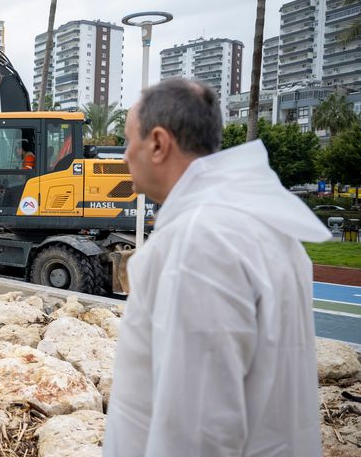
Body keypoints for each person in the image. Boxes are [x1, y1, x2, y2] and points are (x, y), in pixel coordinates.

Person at [103, 78, 330, 456]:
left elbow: (197, 429)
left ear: (158, 143)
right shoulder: (260, 225)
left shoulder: (199, 243)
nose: (124, 156)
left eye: (129, 141)